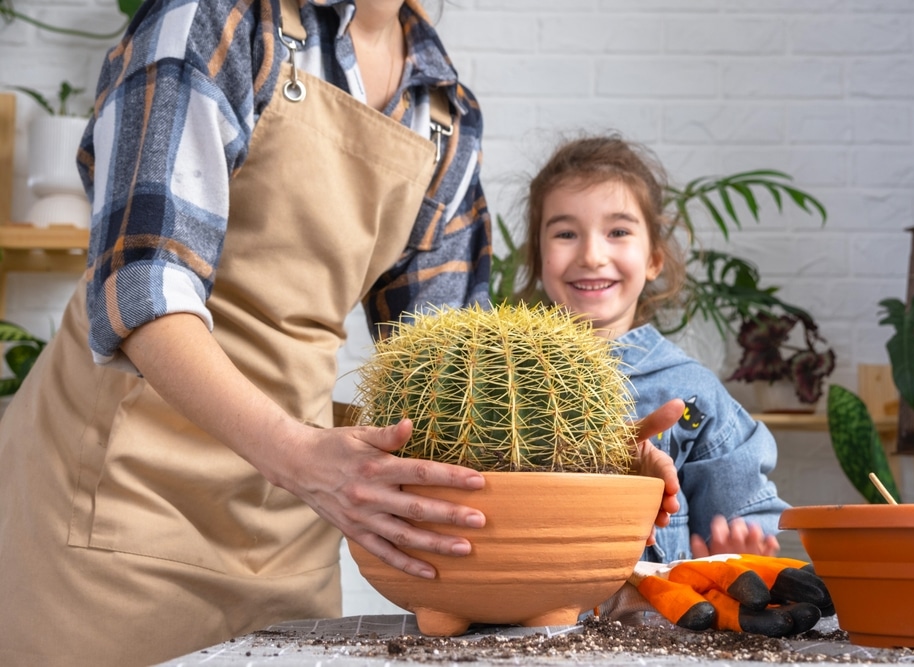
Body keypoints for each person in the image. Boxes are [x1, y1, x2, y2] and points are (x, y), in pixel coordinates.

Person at [0, 3, 683, 664]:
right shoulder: (220, 19)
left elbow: (455, 380)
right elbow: (143, 287)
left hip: (290, 525)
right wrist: (299, 457)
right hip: (119, 507)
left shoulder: (441, 106)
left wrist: (595, 466)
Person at [516, 134, 790, 563]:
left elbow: (745, 517)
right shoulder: (500, 382)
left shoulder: (690, 391)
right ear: (537, 259)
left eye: (618, 231)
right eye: (566, 233)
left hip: (659, 627)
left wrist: (741, 544)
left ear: (654, 259)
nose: (591, 254)